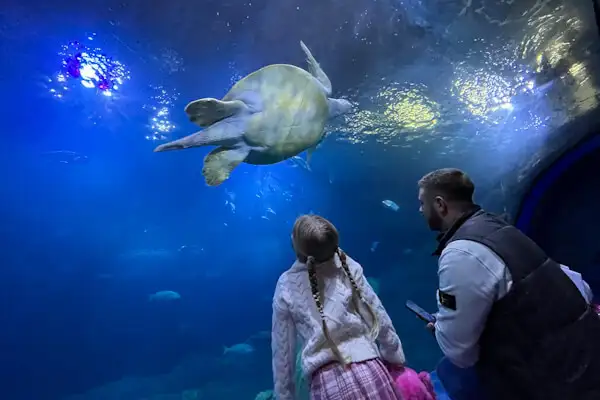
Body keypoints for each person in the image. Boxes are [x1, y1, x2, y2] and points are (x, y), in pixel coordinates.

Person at [417, 167, 600, 400]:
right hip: (586, 358)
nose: (420, 210)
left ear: (440, 204)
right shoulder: (499, 227)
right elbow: (577, 284)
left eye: (423, 203)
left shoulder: (461, 252)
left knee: (452, 373)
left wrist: (441, 328)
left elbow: (459, 352)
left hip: (551, 382)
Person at [271, 214, 404, 400]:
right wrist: (394, 354)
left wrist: (284, 395)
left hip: (327, 385)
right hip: (371, 370)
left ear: (295, 244)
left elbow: (283, 354)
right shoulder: (347, 265)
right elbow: (377, 314)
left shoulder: (286, 284)